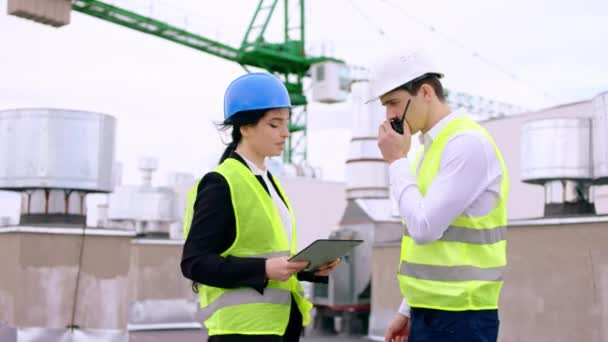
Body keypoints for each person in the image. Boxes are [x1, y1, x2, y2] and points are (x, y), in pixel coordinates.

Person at [180, 72, 339, 342]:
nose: (285, 133)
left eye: (286, 123)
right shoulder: (221, 183)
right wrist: (263, 270)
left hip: (280, 327)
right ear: (245, 127)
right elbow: (194, 263)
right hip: (242, 332)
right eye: (274, 124)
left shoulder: (268, 181)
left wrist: (307, 269)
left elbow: (266, 254)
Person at [371, 51, 509, 342]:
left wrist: (396, 160)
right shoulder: (427, 151)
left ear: (425, 92)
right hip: (431, 312)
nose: (390, 116)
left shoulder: (466, 144)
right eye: (385, 106)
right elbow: (429, 248)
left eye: (394, 103)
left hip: (462, 316)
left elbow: (424, 228)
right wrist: (408, 311)